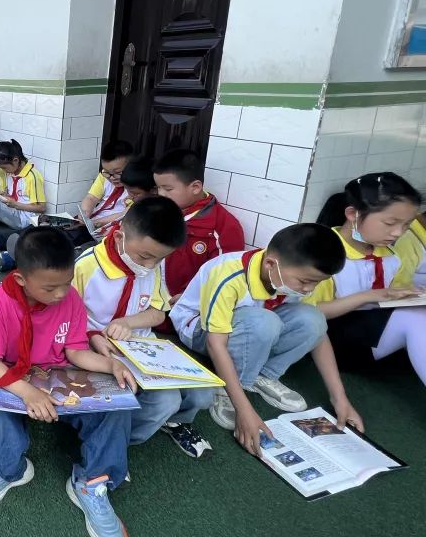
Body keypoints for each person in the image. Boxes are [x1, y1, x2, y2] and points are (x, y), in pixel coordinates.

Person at [0, 226, 136, 537]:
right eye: (50, 288)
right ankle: (9, 469)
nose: (61, 294)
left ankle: (91, 482)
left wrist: (111, 365)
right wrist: (28, 392)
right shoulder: (1, 301)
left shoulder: (70, 299)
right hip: (16, 378)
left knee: (117, 407)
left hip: (59, 377)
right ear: (21, 279)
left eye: (67, 283)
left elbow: (75, 351)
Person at [170, 223, 364, 455]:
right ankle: (229, 388)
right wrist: (244, 410)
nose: (309, 289)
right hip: (199, 330)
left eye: (317, 283)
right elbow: (215, 343)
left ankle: (261, 375)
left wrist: (340, 398)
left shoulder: (287, 275)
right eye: (305, 282)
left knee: (314, 319)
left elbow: (319, 334)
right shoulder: (228, 273)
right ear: (271, 264)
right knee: (263, 322)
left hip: (251, 325)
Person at [72, 198, 210, 458]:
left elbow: (158, 312)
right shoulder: (86, 265)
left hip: (143, 348)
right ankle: (113, 442)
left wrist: (128, 322)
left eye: (159, 259)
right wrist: (92, 337)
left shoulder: (152, 264)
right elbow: (63, 319)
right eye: (145, 257)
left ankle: (170, 422)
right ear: (120, 236)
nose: (149, 266)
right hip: (98, 349)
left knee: (204, 394)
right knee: (165, 401)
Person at [311, 173, 425, 385]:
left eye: (407, 225)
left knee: (418, 312)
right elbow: (308, 314)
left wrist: (413, 294)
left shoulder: (392, 256)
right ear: (352, 214)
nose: (398, 233)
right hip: (330, 342)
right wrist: (367, 296)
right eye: (390, 223)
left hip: (372, 335)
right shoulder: (324, 253)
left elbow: (392, 299)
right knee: (413, 318)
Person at [152, 149, 244, 301]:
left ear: (195, 187)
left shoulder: (223, 227)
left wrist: (193, 296)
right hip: (148, 296)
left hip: (184, 305)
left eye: (168, 189)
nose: (161, 194)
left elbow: (223, 275)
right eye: (158, 188)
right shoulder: (156, 210)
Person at [80, 141, 133, 233]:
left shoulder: (136, 186)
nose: (111, 178)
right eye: (107, 172)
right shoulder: (103, 176)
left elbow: (127, 213)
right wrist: (85, 213)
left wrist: (98, 222)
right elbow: (91, 197)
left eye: (118, 173)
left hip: (115, 227)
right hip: (94, 222)